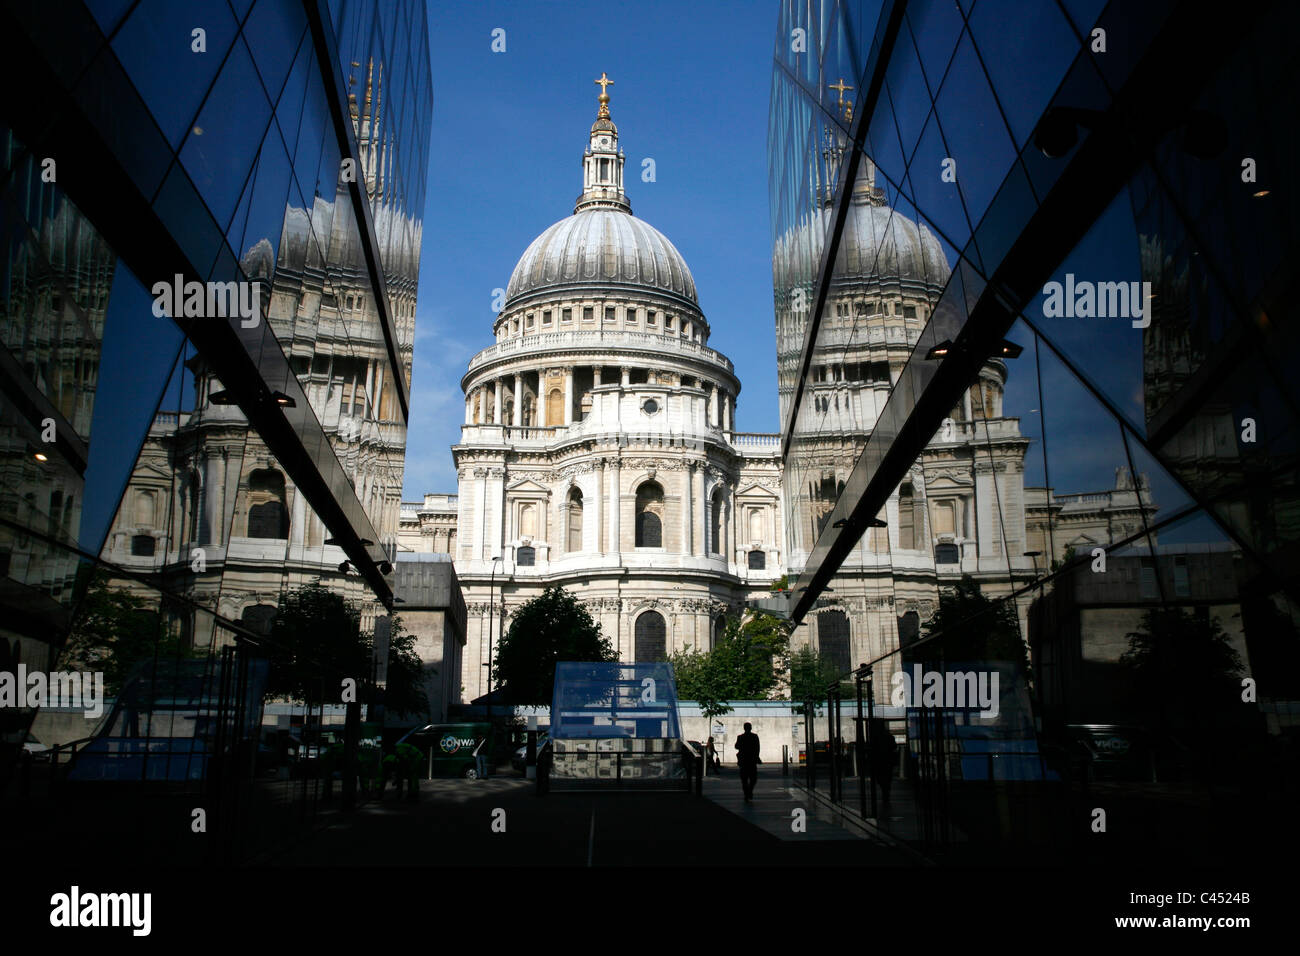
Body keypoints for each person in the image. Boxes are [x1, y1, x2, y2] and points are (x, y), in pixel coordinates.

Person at [734, 722, 760, 800]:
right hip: (751, 760)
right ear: (750, 728)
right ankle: (749, 790)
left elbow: (736, 746)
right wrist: (756, 757)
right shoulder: (754, 737)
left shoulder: (740, 737)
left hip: (743, 760)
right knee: (753, 778)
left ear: (744, 728)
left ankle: (746, 793)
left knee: (744, 779)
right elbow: (757, 748)